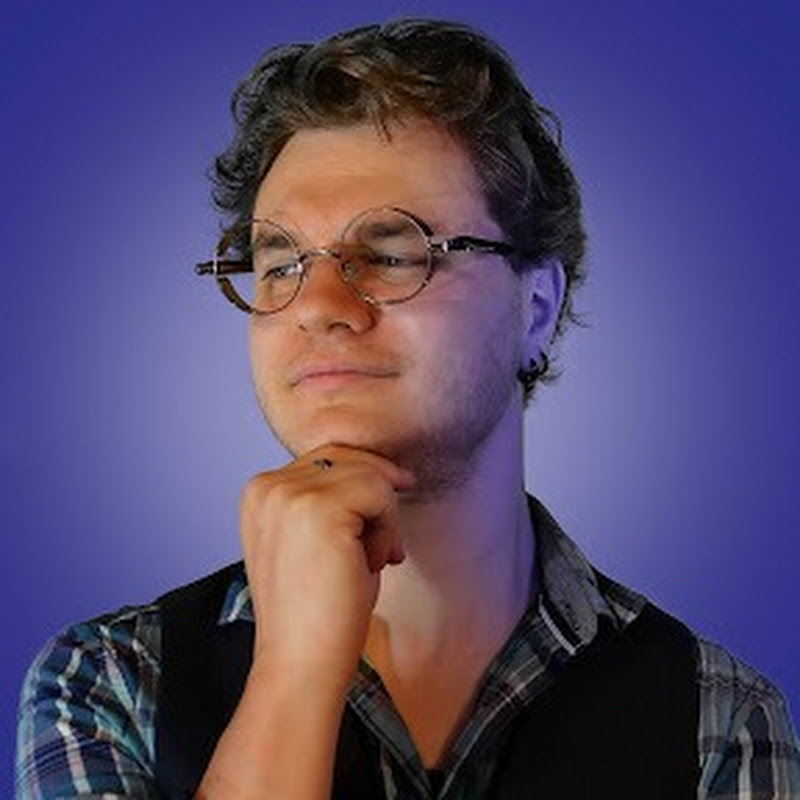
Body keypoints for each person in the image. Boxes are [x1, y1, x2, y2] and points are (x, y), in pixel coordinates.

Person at [16, 18, 799, 800]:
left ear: (535, 310)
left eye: (393, 254)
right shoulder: (109, 685)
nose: (316, 306)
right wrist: (293, 670)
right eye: (279, 263)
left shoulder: (720, 720)